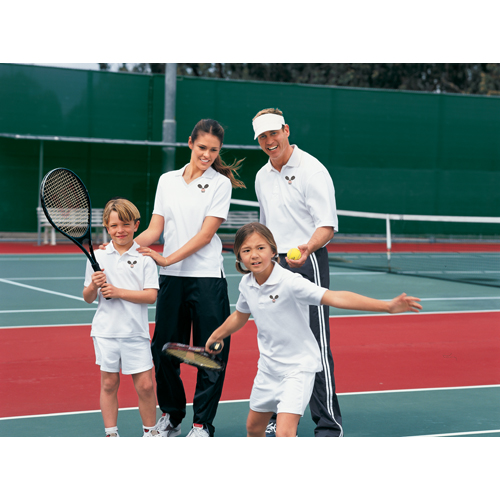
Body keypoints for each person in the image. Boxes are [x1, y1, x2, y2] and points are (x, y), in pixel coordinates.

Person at [205, 223, 422, 437]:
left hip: (298, 368)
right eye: (246, 250)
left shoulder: (290, 282)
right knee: (253, 429)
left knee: (284, 434)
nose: (254, 255)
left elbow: (335, 297)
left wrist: (387, 306)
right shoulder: (247, 283)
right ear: (238, 257)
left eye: (260, 248)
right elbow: (240, 315)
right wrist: (217, 335)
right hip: (268, 368)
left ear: (273, 250)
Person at [136, 118, 245, 437]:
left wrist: (167, 258)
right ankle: (172, 416)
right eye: (202, 147)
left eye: (214, 150)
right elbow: (155, 230)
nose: (207, 155)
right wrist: (123, 247)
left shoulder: (220, 184)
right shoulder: (167, 181)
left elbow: (205, 235)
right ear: (189, 143)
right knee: (163, 350)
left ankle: (202, 424)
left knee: (211, 353)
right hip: (172, 280)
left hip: (208, 279)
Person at [252, 107, 342, 437]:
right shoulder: (262, 176)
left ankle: (329, 425)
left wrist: (306, 248)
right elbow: (265, 226)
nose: (269, 141)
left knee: (315, 344)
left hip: (309, 261)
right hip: (275, 265)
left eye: (273, 133)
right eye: (262, 137)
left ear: (286, 130)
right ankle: (282, 414)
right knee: (280, 343)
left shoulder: (312, 170)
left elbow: (326, 225)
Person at [83, 198, 160, 437]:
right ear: (107, 227)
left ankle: (151, 432)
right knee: (109, 384)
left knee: (146, 386)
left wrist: (118, 292)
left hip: (135, 333)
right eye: (114, 225)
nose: (120, 230)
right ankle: (111, 434)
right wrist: (94, 286)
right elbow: (87, 297)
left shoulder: (146, 258)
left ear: (136, 225)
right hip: (105, 332)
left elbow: (151, 296)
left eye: (126, 224)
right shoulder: (98, 256)